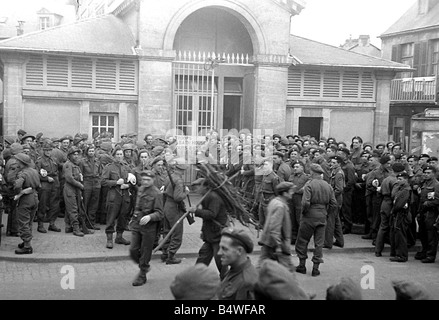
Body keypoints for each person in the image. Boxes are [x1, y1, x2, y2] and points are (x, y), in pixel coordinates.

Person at [295, 164, 337, 277]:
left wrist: (304, 212)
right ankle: (315, 268)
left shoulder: (309, 185)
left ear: (313, 173)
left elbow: (305, 202)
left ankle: (302, 266)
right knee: (319, 243)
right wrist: (326, 213)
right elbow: (334, 204)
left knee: (302, 240)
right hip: (322, 216)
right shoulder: (328, 186)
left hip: (309, 216)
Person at [188, 178, 230, 280]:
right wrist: (204, 231)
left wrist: (196, 211)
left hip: (218, 236)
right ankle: (195, 279)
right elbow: (207, 219)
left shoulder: (213, 197)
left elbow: (211, 214)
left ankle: (226, 282)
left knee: (220, 261)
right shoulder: (206, 196)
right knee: (203, 258)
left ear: (205, 186)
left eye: (197, 186)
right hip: (210, 235)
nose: (195, 189)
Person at [129, 170, 164, 286]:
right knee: (133, 249)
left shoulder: (157, 194)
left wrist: (150, 216)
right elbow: (137, 206)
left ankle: (142, 274)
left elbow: (160, 213)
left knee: (145, 251)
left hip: (149, 227)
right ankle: (144, 265)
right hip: (137, 224)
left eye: (148, 180)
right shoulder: (140, 189)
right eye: (143, 179)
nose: (145, 182)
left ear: (153, 180)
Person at [258, 182, 295, 273]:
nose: (292, 193)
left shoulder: (274, 201)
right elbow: (275, 227)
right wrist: (278, 246)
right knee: (288, 271)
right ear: (285, 193)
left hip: (268, 241)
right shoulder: (280, 206)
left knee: (262, 266)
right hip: (277, 243)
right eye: (291, 191)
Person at [102, 147, 132, 248]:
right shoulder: (109, 167)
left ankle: (119, 237)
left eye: (121, 154)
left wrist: (127, 185)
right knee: (111, 217)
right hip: (114, 195)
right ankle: (109, 239)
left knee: (123, 217)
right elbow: (103, 181)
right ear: (114, 156)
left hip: (125, 195)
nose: (119, 156)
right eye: (117, 154)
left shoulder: (126, 167)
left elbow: (132, 180)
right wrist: (115, 183)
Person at [161, 157, 190, 264]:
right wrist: (186, 192)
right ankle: (171, 256)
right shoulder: (178, 180)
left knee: (167, 231)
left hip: (167, 206)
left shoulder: (170, 177)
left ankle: (165, 253)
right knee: (177, 233)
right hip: (174, 208)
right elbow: (178, 197)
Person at [217, 227, 257, 300]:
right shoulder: (234, 270)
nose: (219, 253)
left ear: (239, 251)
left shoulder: (246, 282)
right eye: (219, 248)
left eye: (224, 249)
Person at [375, 162, 405, 256]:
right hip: (390, 204)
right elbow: (394, 195)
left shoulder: (386, 179)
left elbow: (379, 192)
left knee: (382, 227)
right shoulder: (396, 181)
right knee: (392, 227)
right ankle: (393, 251)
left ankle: (378, 250)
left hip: (384, 202)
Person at [13, 153, 41, 254]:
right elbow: (39, 185)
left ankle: (27, 246)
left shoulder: (22, 173)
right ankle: (25, 241)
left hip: (25, 199)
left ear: (22, 163)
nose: (16, 162)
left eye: (18, 161)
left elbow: (17, 186)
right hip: (34, 196)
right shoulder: (34, 171)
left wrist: (19, 192)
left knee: (23, 222)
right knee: (29, 222)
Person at [63, 146, 90, 237]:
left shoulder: (76, 165)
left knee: (77, 208)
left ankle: (69, 226)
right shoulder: (68, 165)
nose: (76, 156)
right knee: (73, 209)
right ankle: (76, 228)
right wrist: (80, 185)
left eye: (77, 154)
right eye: (73, 154)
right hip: (70, 189)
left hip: (75, 189)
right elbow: (69, 178)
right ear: (69, 156)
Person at [35, 140, 61, 233]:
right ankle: (40, 225)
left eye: (50, 150)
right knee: (43, 204)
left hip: (55, 183)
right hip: (45, 184)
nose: (48, 152)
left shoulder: (54, 159)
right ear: (43, 150)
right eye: (46, 150)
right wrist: (46, 179)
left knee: (55, 205)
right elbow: (36, 174)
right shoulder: (39, 161)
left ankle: (52, 223)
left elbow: (59, 169)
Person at [415, 165, 439, 263]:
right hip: (422, 211)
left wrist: (428, 203)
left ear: (434, 173)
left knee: (431, 235)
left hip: (431, 212)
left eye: (429, 173)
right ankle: (424, 251)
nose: (426, 174)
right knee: (423, 233)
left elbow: (437, 200)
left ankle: (430, 255)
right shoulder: (424, 183)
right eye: (425, 173)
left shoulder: (436, 185)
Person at [389, 171, 412, 262]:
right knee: (398, 234)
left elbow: (399, 204)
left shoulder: (406, 190)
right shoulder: (401, 189)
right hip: (399, 214)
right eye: (397, 179)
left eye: (400, 179)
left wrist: (393, 211)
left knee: (400, 235)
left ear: (406, 180)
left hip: (401, 215)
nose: (398, 181)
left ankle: (401, 256)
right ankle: (398, 254)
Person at [79, 144, 102, 230]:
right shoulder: (82, 162)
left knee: (94, 204)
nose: (91, 153)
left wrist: (98, 182)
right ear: (87, 152)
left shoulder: (97, 161)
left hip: (96, 183)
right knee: (85, 204)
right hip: (87, 183)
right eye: (90, 151)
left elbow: (100, 172)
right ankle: (83, 223)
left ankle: (91, 223)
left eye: (93, 151)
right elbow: (80, 173)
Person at [324, 155, 345, 249]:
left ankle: (328, 242)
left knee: (330, 221)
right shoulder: (334, 171)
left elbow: (339, 189)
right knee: (336, 220)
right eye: (331, 162)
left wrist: (330, 196)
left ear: (339, 164)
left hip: (335, 200)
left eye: (334, 163)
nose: (331, 164)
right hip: (335, 199)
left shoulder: (339, 173)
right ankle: (340, 241)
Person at [288, 161, 310, 244]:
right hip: (291, 199)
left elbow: (304, 189)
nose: (295, 168)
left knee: (299, 219)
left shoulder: (306, 177)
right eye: (294, 167)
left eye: (297, 167)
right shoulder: (291, 176)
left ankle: (301, 238)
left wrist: (296, 191)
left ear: (302, 168)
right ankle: (293, 237)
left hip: (300, 199)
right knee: (292, 218)